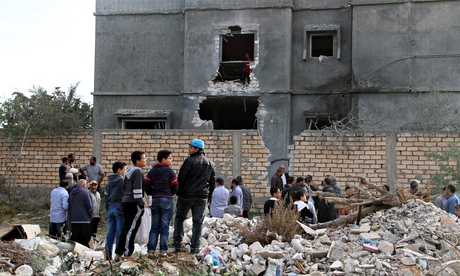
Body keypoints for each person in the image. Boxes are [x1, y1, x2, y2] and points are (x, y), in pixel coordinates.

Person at [173, 139, 215, 255]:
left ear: (197, 149)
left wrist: (179, 193)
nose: (189, 149)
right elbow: (212, 183)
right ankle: (195, 247)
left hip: (186, 195)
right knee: (198, 223)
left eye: (191, 148)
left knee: (180, 218)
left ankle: (177, 242)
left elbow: (181, 178)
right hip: (202, 197)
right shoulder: (209, 163)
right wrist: (208, 198)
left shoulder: (189, 161)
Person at [145, 149, 178, 258]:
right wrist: (169, 193)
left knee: (154, 226)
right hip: (166, 199)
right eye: (170, 158)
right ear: (163, 159)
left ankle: (151, 250)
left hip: (155, 200)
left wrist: (152, 192)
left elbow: (146, 185)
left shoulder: (152, 171)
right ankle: (163, 251)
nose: (171, 160)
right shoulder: (169, 171)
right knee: (164, 226)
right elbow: (175, 187)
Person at [115, 151, 147, 259]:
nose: (145, 160)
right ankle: (128, 253)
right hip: (134, 203)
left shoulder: (128, 171)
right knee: (131, 229)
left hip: (126, 202)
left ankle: (119, 252)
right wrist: (141, 204)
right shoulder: (137, 172)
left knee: (126, 228)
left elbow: (124, 189)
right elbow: (137, 190)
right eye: (143, 158)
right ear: (137, 161)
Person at [104, 161, 127, 260]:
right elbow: (126, 195)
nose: (125, 172)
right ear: (119, 170)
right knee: (119, 232)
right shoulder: (122, 181)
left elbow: (105, 197)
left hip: (110, 207)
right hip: (119, 207)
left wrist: (108, 207)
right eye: (124, 169)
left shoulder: (108, 182)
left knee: (110, 233)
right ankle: (118, 254)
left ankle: (108, 255)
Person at [68, 179, 93, 248]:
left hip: (74, 220)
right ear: (84, 185)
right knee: (85, 240)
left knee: (76, 241)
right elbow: (90, 206)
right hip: (84, 220)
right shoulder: (85, 193)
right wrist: (91, 215)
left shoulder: (72, 193)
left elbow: (69, 206)